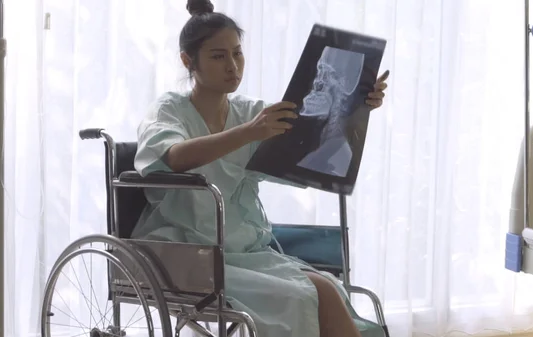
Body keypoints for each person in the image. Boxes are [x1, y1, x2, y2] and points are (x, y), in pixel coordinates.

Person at [132, 0, 389, 336]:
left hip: (245, 249)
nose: (233, 66)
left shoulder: (250, 112)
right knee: (301, 296)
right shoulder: (170, 110)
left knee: (329, 287)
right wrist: (249, 132)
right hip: (187, 252)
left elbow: (310, 136)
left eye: (237, 53)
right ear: (188, 61)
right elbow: (175, 157)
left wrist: (360, 103)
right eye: (218, 56)